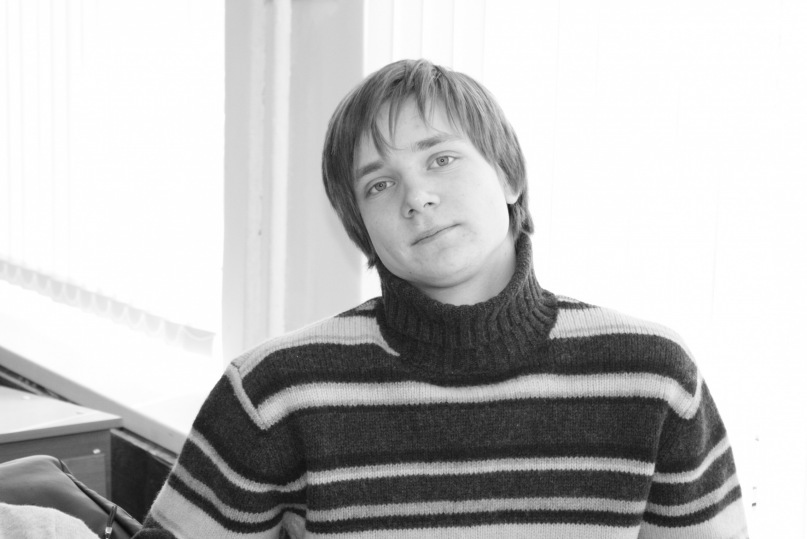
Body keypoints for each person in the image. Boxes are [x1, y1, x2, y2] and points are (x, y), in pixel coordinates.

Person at [135, 59, 748, 538]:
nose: (417, 197)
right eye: (380, 184)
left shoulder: (651, 377)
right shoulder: (275, 392)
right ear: (360, 228)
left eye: (442, 158)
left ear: (509, 176)